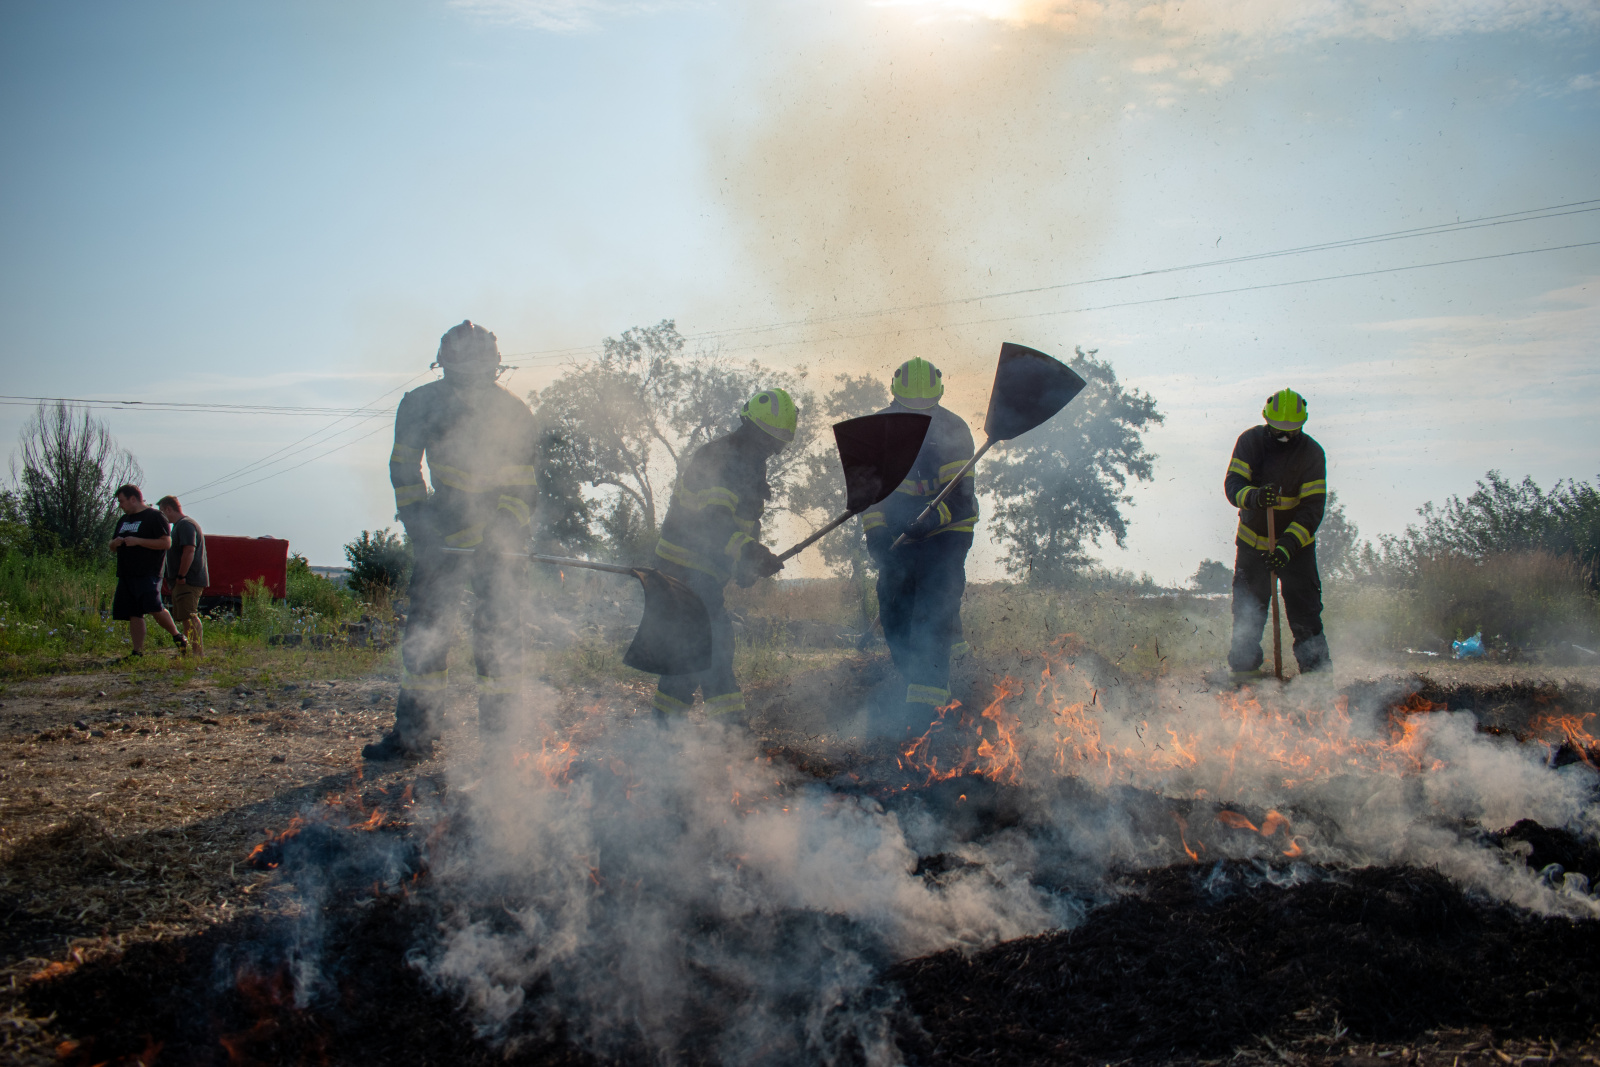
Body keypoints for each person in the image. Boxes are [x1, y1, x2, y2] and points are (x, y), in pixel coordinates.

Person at [364, 321, 540, 762]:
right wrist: (420, 525)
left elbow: (523, 488)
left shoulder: (514, 413)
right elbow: (404, 469)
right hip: (441, 528)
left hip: (499, 534)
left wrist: (501, 534)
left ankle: (500, 745)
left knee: (498, 636)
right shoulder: (420, 403)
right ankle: (414, 736)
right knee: (427, 632)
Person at [650, 390, 793, 722]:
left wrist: (746, 565)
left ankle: (662, 731)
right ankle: (731, 734)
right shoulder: (722, 458)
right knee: (716, 646)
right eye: (768, 440)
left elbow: (743, 526)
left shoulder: (751, 463)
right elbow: (714, 524)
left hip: (700, 572)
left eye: (777, 445)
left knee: (685, 656)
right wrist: (750, 553)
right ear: (751, 428)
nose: (771, 450)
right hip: (684, 569)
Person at [862, 358, 977, 727]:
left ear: (938, 400)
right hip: (900, 534)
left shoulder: (953, 430)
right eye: (910, 409)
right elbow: (869, 495)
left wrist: (929, 521)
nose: (918, 417)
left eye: (925, 410)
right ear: (894, 398)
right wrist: (876, 534)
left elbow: (960, 499)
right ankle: (922, 681)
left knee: (933, 608)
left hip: (947, 533)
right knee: (893, 606)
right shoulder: (877, 430)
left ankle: (927, 712)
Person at [1222, 387, 1330, 681]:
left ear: (1302, 425)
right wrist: (1254, 497)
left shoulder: (1312, 454)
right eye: (1278, 429)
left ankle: (1318, 685)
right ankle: (1244, 682)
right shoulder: (1250, 442)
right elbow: (1233, 486)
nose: (1284, 436)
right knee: (1247, 617)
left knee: (1306, 617)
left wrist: (1286, 547)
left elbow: (1311, 510)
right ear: (1266, 420)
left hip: (1296, 551)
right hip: (1252, 548)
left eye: (1290, 431)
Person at [109, 485, 187, 657]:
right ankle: (137, 652)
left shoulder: (155, 516)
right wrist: (115, 543)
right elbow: (111, 545)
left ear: (133, 499)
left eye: (122, 501)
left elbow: (166, 543)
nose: (120, 506)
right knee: (133, 613)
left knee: (154, 607)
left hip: (148, 572)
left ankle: (177, 636)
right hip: (126, 573)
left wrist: (138, 541)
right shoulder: (123, 520)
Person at [156, 495, 207, 657]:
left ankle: (197, 654)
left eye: (162, 512)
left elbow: (189, 550)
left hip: (187, 580)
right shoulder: (180, 525)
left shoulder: (185, 525)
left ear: (168, 509)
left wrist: (181, 575)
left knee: (190, 617)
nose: (161, 516)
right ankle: (189, 653)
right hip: (182, 580)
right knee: (186, 618)